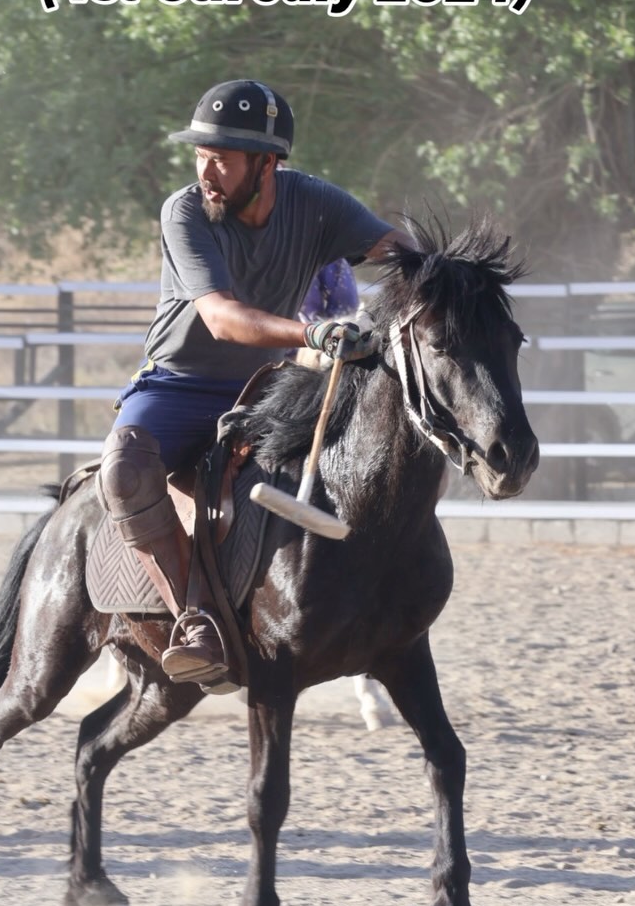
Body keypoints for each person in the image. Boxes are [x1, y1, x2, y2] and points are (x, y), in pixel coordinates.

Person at [99, 79, 412, 692]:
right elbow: (220, 317)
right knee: (124, 467)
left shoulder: (319, 204)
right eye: (200, 154)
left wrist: (433, 281)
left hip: (269, 387)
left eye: (221, 158)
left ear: (267, 163)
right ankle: (196, 624)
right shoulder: (184, 210)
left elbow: (398, 250)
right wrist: (316, 334)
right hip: (178, 384)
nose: (206, 170)